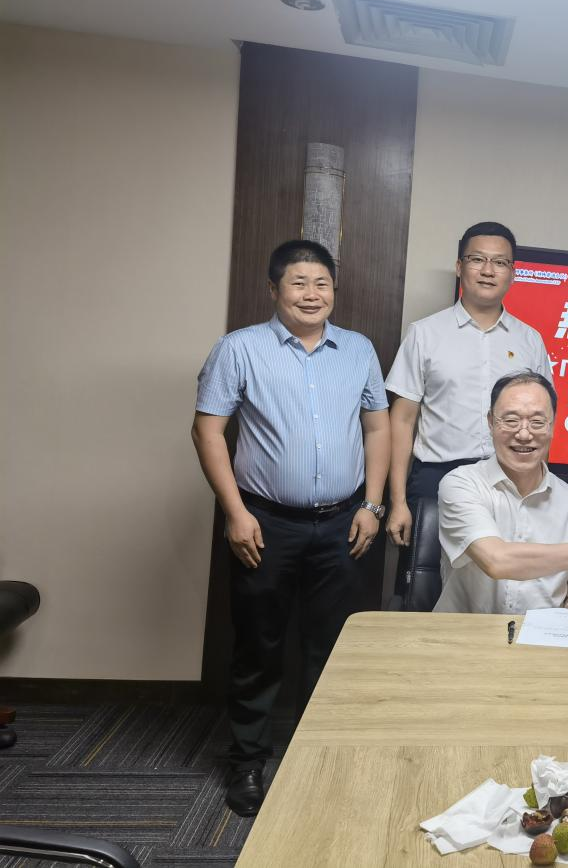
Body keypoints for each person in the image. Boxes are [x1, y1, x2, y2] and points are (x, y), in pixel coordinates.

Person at [191, 240, 389, 817]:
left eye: (321, 283)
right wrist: (235, 513)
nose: (311, 294)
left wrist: (373, 505)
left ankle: (317, 758)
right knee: (259, 644)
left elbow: (378, 429)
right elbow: (207, 431)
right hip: (265, 523)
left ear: (334, 291)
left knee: (332, 647)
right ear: (274, 289)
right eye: (298, 283)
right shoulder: (240, 348)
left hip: (344, 522)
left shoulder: (358, 349)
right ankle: (247, 761)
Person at [384, 222, 551, 553]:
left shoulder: (530, 340)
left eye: (500, 262)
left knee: (503, 577)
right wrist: (398, 501)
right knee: (428, 578)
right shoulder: (424, 333)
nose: (488, 271)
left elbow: (543, 421)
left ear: (513, 273)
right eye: (477, 259)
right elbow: (402, 421)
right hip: (436, 478)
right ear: (460, 267)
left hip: (510, 478)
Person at [433, 370, 568, 613]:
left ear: (552, 426)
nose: (524, 434)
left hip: (542, 634)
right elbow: (496, 560)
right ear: (491, 422)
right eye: (511, 420)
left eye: (537, 422)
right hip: (466, 632)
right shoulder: (461, 483)